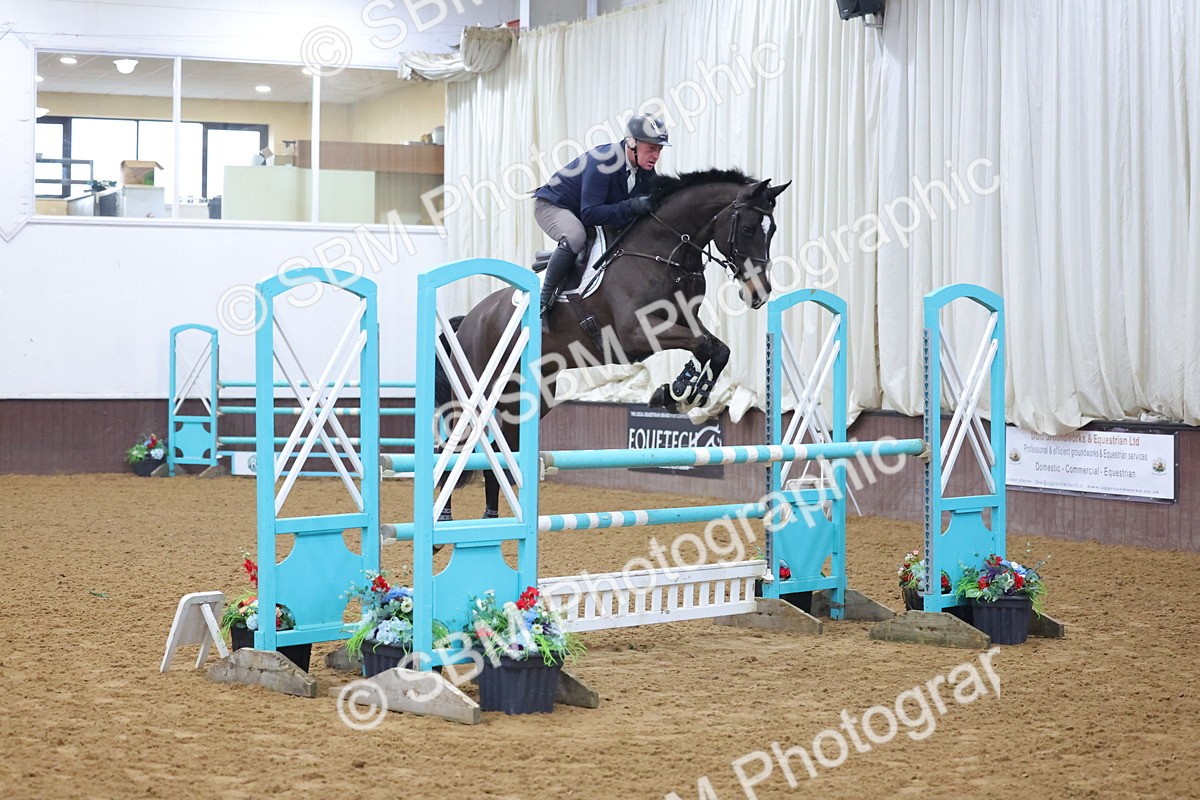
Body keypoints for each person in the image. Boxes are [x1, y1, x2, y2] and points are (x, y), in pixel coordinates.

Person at [532, 114, 669, 331]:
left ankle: (557, 259)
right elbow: (590, 214)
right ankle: (542, 303)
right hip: (554, 206)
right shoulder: (603, 161)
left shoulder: (646, 172)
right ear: (632, 143)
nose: (655, 156)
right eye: (651, 148)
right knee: (576, 236)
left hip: (582, 211)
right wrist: (631, 207)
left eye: (659, 150)